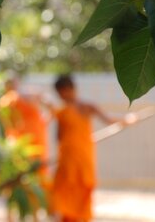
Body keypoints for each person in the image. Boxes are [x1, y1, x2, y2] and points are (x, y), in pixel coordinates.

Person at [50, 74, 119, 222]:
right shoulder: (61, 112)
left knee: (82, 188)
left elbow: (110, 120)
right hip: (67, 158)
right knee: (65, 191)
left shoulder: (87, 107)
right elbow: (59, 137)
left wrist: (128, 120)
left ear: (68, 89)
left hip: (83, 156)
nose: (60, 96)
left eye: (60, 92)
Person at [0, 76, 49, 176]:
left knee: (23, 172)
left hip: (19, 141)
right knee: (35, 172)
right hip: (29, 140)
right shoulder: (15, 97)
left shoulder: (4, 101)